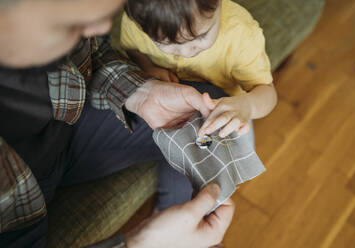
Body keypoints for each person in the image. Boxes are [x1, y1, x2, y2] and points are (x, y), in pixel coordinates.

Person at [0, 0, 234, 247]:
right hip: (18, 213)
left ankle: (185, 228)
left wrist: (140, 93)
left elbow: (94, 52)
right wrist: (143, 243)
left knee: (207, 116)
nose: (104, 28)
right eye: (69, 25)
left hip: (70, 129)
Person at [112, 0, 278, 139]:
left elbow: (267, 92)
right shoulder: (137, 22)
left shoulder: (242, 33)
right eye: (166, 43)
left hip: (228, 112)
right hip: (170, 104)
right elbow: (133, 49)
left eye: (201, 36)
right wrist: (148, 67)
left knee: (232, 158)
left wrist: (247, 106)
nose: (187, 52)